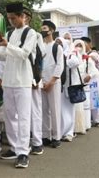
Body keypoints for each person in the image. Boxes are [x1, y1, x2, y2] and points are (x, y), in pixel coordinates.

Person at [0, 2, 36, 169]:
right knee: (9, 116)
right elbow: (4, 56)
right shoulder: (10, 34)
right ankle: (13, 147)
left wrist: (7, 46)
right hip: (9, 81)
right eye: (9, 18)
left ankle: (23, 152)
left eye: (13, 18)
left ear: (22, 16)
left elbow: (24, 54)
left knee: (23, 117)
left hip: (23, 81)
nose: (11, 21)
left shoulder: (31, 33)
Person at [23, 9, 46, 156]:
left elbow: (40, 55)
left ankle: (37, 142)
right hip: (20, 77)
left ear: (28, 18)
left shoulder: (35, 34)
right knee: (23, 113)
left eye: (23, 16)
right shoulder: (12, 33)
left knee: (35, 110)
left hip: (33, 76)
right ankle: (24, 143)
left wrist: (37, 78)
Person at [40, 20, 63, 148]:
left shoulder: (57, 47)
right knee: (44, 111)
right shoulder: (41, 46)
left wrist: (52, 81)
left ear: (51, 30)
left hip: (53, 82)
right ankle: (45, 136)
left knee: (54, 110)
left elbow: (60, 66)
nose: (42, 30)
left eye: (44, 28)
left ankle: (56, 136)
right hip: (42, 82)